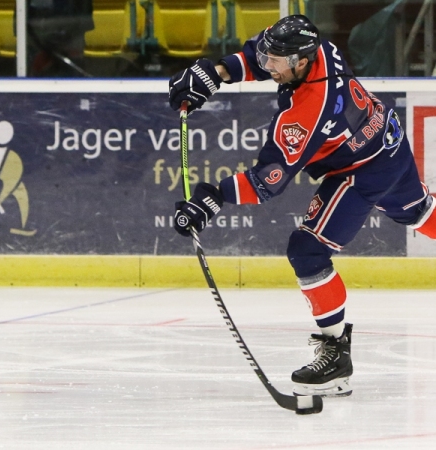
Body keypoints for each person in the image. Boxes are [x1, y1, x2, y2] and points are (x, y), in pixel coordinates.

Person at [167, 15, 436, 397]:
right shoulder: (318, 50)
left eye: (277, 61)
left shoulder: (308, 111)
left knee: (308, 251)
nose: (269, 64)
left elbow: (266, 182)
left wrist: (213, 198)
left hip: (360, 170)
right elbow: (259, 58)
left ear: (300, 62)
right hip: (386, 137)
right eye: (270, 56)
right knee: (420, 210)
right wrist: (216, 71)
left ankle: (336, 356)